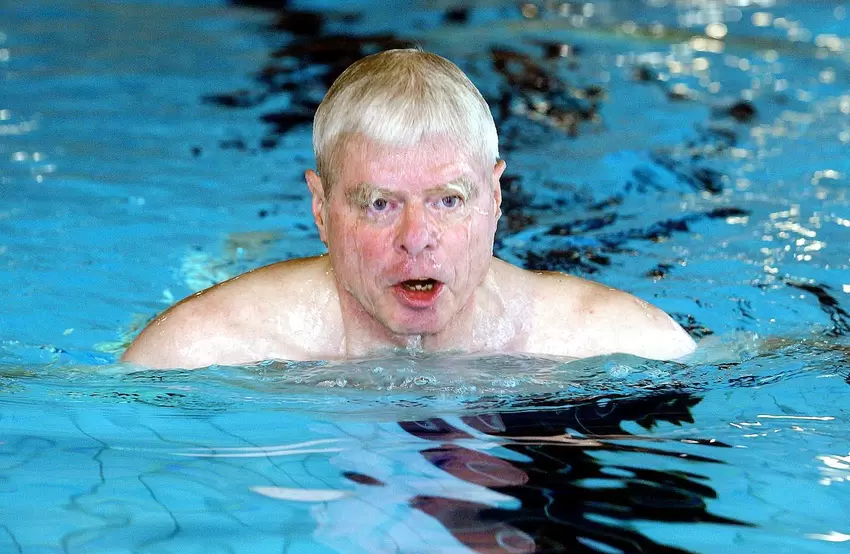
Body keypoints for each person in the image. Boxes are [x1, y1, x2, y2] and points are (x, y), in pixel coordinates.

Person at [121, 49, 696, 369]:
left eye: (449, 200)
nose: (416, 237)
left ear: (496, 198)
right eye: (378, 204)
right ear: (320, 210)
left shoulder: (620, 342)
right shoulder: (198, 350)